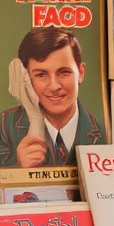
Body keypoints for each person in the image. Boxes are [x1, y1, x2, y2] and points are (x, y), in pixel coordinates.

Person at [0, 27, 106, 167]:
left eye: (64, 73)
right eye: (41, 75)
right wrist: (17, 167)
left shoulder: (107, 129)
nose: (54, 86)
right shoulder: (4, 127)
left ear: (80, 73)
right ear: (26, 77)